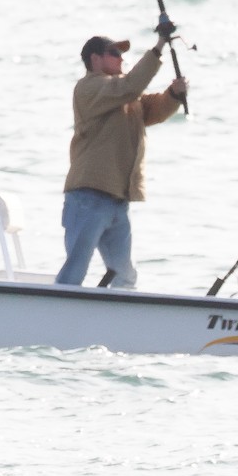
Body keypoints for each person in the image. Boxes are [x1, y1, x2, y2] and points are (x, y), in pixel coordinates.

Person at [55, 25, 189, 289]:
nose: (121, 58)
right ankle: (54, 321)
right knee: (75, 268)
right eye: (114, 52)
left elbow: (154, 110)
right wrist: (159, 46)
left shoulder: (123, 95)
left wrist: (174, 93)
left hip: (117, 200)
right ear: (95, 58)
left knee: (125, 275)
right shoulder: (89, 88)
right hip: (88, 197)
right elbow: (131, 86)